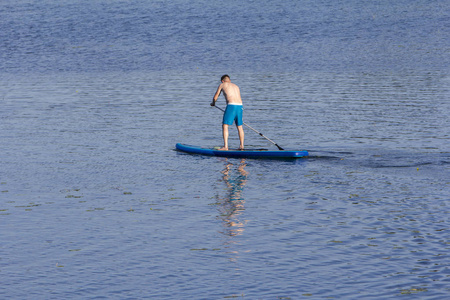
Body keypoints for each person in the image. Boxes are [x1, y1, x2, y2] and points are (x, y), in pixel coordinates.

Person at [210, 75, 244, 150]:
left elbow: (215, 96)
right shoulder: (236, 86)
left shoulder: (222, 85)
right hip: (240, 106)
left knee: (225, 125)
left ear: (222, 81)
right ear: (229, 80)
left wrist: (213, 103)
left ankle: (225, 146)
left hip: (231, 106)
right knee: (239, 126)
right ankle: (241, 146)